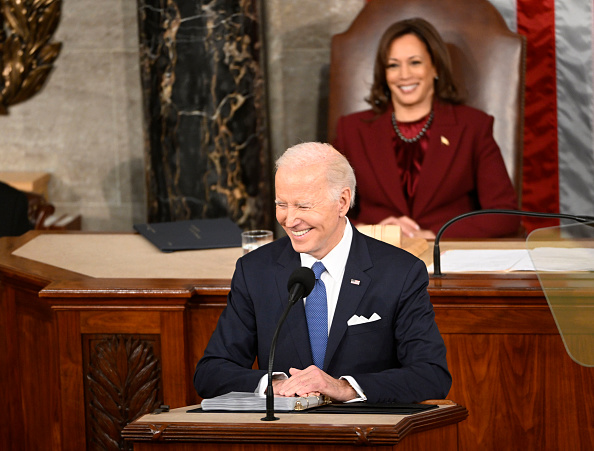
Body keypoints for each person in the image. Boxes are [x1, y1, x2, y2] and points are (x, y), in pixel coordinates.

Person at [194, 142, 451, 403]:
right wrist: (275, 383)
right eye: (282, 204)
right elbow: (210, 373)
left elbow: (431, 375)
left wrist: (345, 388)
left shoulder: (400, 272)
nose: (289, 220)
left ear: (342, 202)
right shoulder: (256, 270)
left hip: (366, 435)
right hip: (285, 437)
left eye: (303, 206)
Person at [333, 18, 520, 239]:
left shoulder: (474, 126)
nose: (404, 75)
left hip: (447, 256)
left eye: (415, 62)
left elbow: (505, 215)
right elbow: (328, 212)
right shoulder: (352, 129)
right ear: (384, 74)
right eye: (393, 65)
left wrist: (434, 234)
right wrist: (372, 232)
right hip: (377, 258)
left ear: (435, 67)